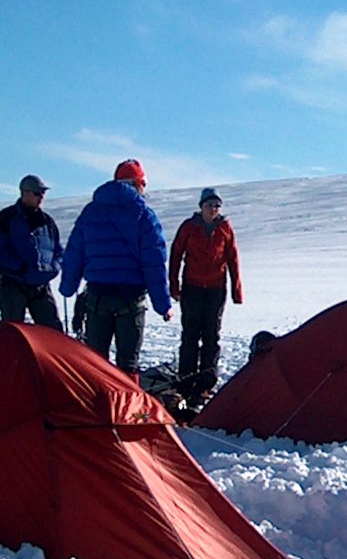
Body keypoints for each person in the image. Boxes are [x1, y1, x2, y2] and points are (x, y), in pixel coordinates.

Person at [59, 159, 172, 373]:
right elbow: (154, 263)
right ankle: (129, 405)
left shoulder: (91, 212)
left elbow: (75, 252)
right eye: (144, 184)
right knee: (128, 364)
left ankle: (95, 404)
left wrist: (68, 287)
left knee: (95, 361)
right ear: (137, 184)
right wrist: (162, 305)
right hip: (130, 299)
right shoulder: (144, 215)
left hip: (97, 296)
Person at [168, 188, 243, 398]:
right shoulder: (189, 227)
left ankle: (206, 383)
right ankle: (185, 380)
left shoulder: (225, 227)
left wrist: (237, 290)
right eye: (210, 205)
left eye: (217, 205)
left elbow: (233, 259)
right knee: (190, 334)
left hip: (216, 289)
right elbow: (176, 254)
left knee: (211, 336)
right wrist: (173, 285)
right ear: (201, 206)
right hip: (192, 288)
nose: (213, 209)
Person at [0, 174, 65, 328]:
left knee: (52, 331)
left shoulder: (47, 221)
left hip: (41, 285)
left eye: (42, 193)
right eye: (37, 193)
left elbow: (58, 250)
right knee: (12, 332)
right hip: (13, 283)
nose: (41, 196)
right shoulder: (5, 218)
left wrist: (53, 268)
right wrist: (18, 267)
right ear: (25, 193)